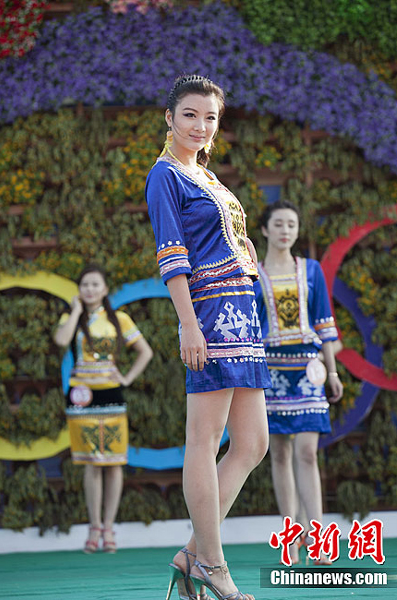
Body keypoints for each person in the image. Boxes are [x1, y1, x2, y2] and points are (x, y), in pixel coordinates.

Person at [145, 74, 272, 600]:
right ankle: (213, 565)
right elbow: (172, 255)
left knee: (253, 443)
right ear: (170, 118)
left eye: (210, 117)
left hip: (243, 312)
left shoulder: (208, 177)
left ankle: (193, 553)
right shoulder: (165, 176)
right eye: (190, 114)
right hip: (211, 313)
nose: (200, 125)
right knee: (204, 439)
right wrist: (189, 324)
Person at [254, 200, 343, 565]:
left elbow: (324, 323)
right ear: (265, 229)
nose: (285, 230)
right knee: (278, 454)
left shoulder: (311, 270)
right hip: (272, 372)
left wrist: (332, 372)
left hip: (308, 371)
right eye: (278, 224)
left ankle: (318, 538)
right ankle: (291, 537)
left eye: (291, 224)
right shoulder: (254, 274)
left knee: (307, 452)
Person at [54, 264, 153, 554]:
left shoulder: (119, 319)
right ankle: (94, 526)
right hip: (82, 397)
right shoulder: (72, 317)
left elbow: (145, 351)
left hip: (111, 393)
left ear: (105, 289)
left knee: (113, 461)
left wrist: (127, 378)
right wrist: (75, 311)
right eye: (85, 285)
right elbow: (61, 341)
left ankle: (109, 527)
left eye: (95, 284)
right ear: (79, 289)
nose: (90, 290)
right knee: (91, 462)